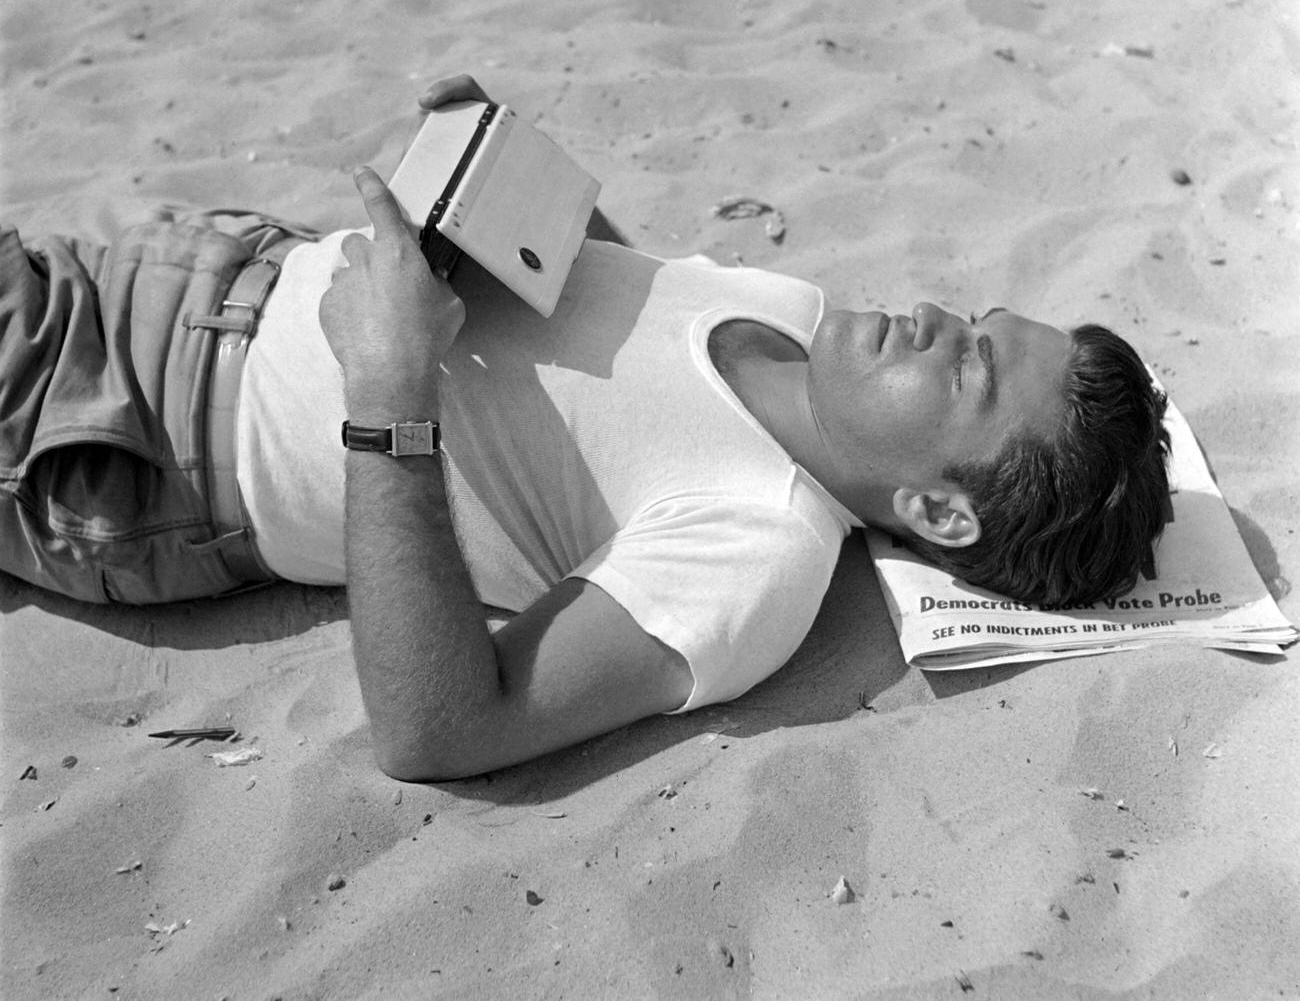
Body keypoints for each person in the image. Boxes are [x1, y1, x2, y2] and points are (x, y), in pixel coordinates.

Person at [0, 76, 1170, 781]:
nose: (928, 316)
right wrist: (509, 181)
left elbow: (443, 724)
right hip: (176, 269)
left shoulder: (752, 552)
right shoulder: (792, 314)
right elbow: (615, 310)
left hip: (121, 430)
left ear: (937, 507)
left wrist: (392, 388)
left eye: (963, 363)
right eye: (970, 318)